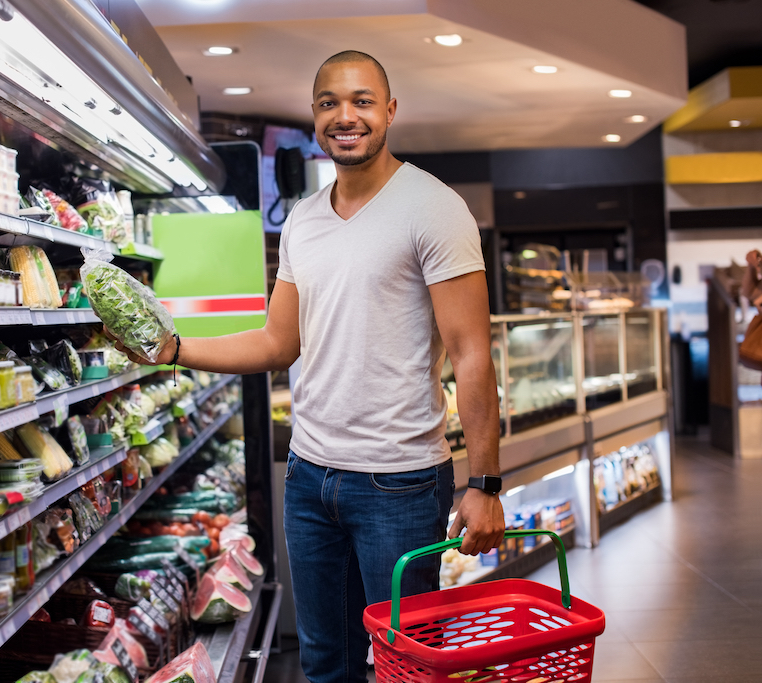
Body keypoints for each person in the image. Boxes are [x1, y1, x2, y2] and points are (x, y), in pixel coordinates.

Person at [109, 50, 505, 683]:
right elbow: (276, 342)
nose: (345, 116)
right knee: (326, 665)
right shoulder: (303, 220)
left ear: (390, 111)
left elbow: (472, 354)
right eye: (329, 104)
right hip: (310, 478)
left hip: (397, 482)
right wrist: (174, 349)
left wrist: (485, 484)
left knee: (409, 666)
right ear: (315, 115)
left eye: (362, 102)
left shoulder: (434, 208)